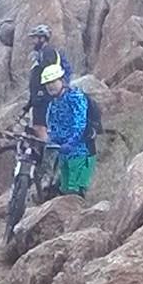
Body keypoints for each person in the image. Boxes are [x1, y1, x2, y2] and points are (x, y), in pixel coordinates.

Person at [42, 63, 94, 197]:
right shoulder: (53, 103)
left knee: (74, 191)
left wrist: (71, 142)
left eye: (53, 81)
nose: (50, 86)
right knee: (65, 190)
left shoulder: (75, 97)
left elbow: (80, 123)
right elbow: (51, 126)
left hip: (80, 150)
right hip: (62, 152)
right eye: (47, 83)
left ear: (62, 80)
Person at [21, 24, 71, 140]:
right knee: (37, 128)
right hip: (39, 98)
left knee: (41, 128)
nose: (33, 41)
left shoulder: (48, 52)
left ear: (42, 38)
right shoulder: (42, 54)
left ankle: (50, 155)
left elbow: (49, 77)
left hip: (44, 98)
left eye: (35, 38)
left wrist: (41, 94)